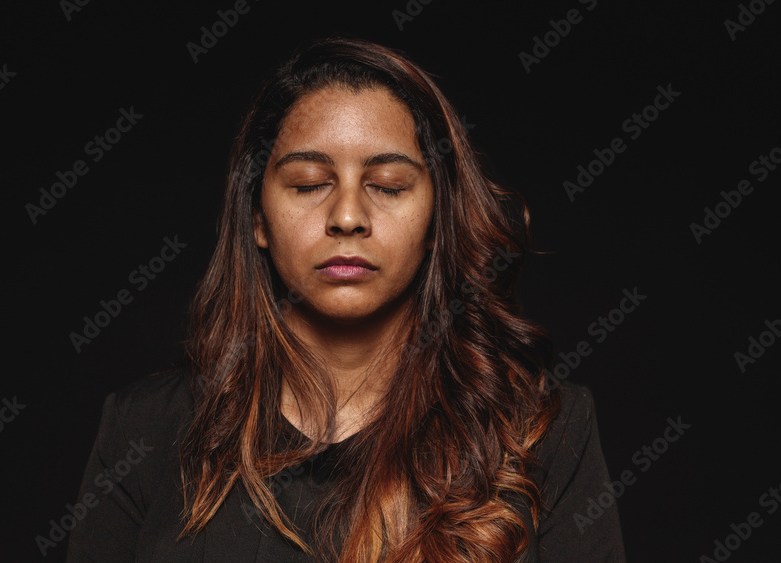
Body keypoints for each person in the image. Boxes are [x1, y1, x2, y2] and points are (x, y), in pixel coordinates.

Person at [66, 37, 626, 562]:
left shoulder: (542, 428)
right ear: (258, 216)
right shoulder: (145, 431)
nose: (349, 217)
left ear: (436, 218)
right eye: (310, 183)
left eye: (387, 185)